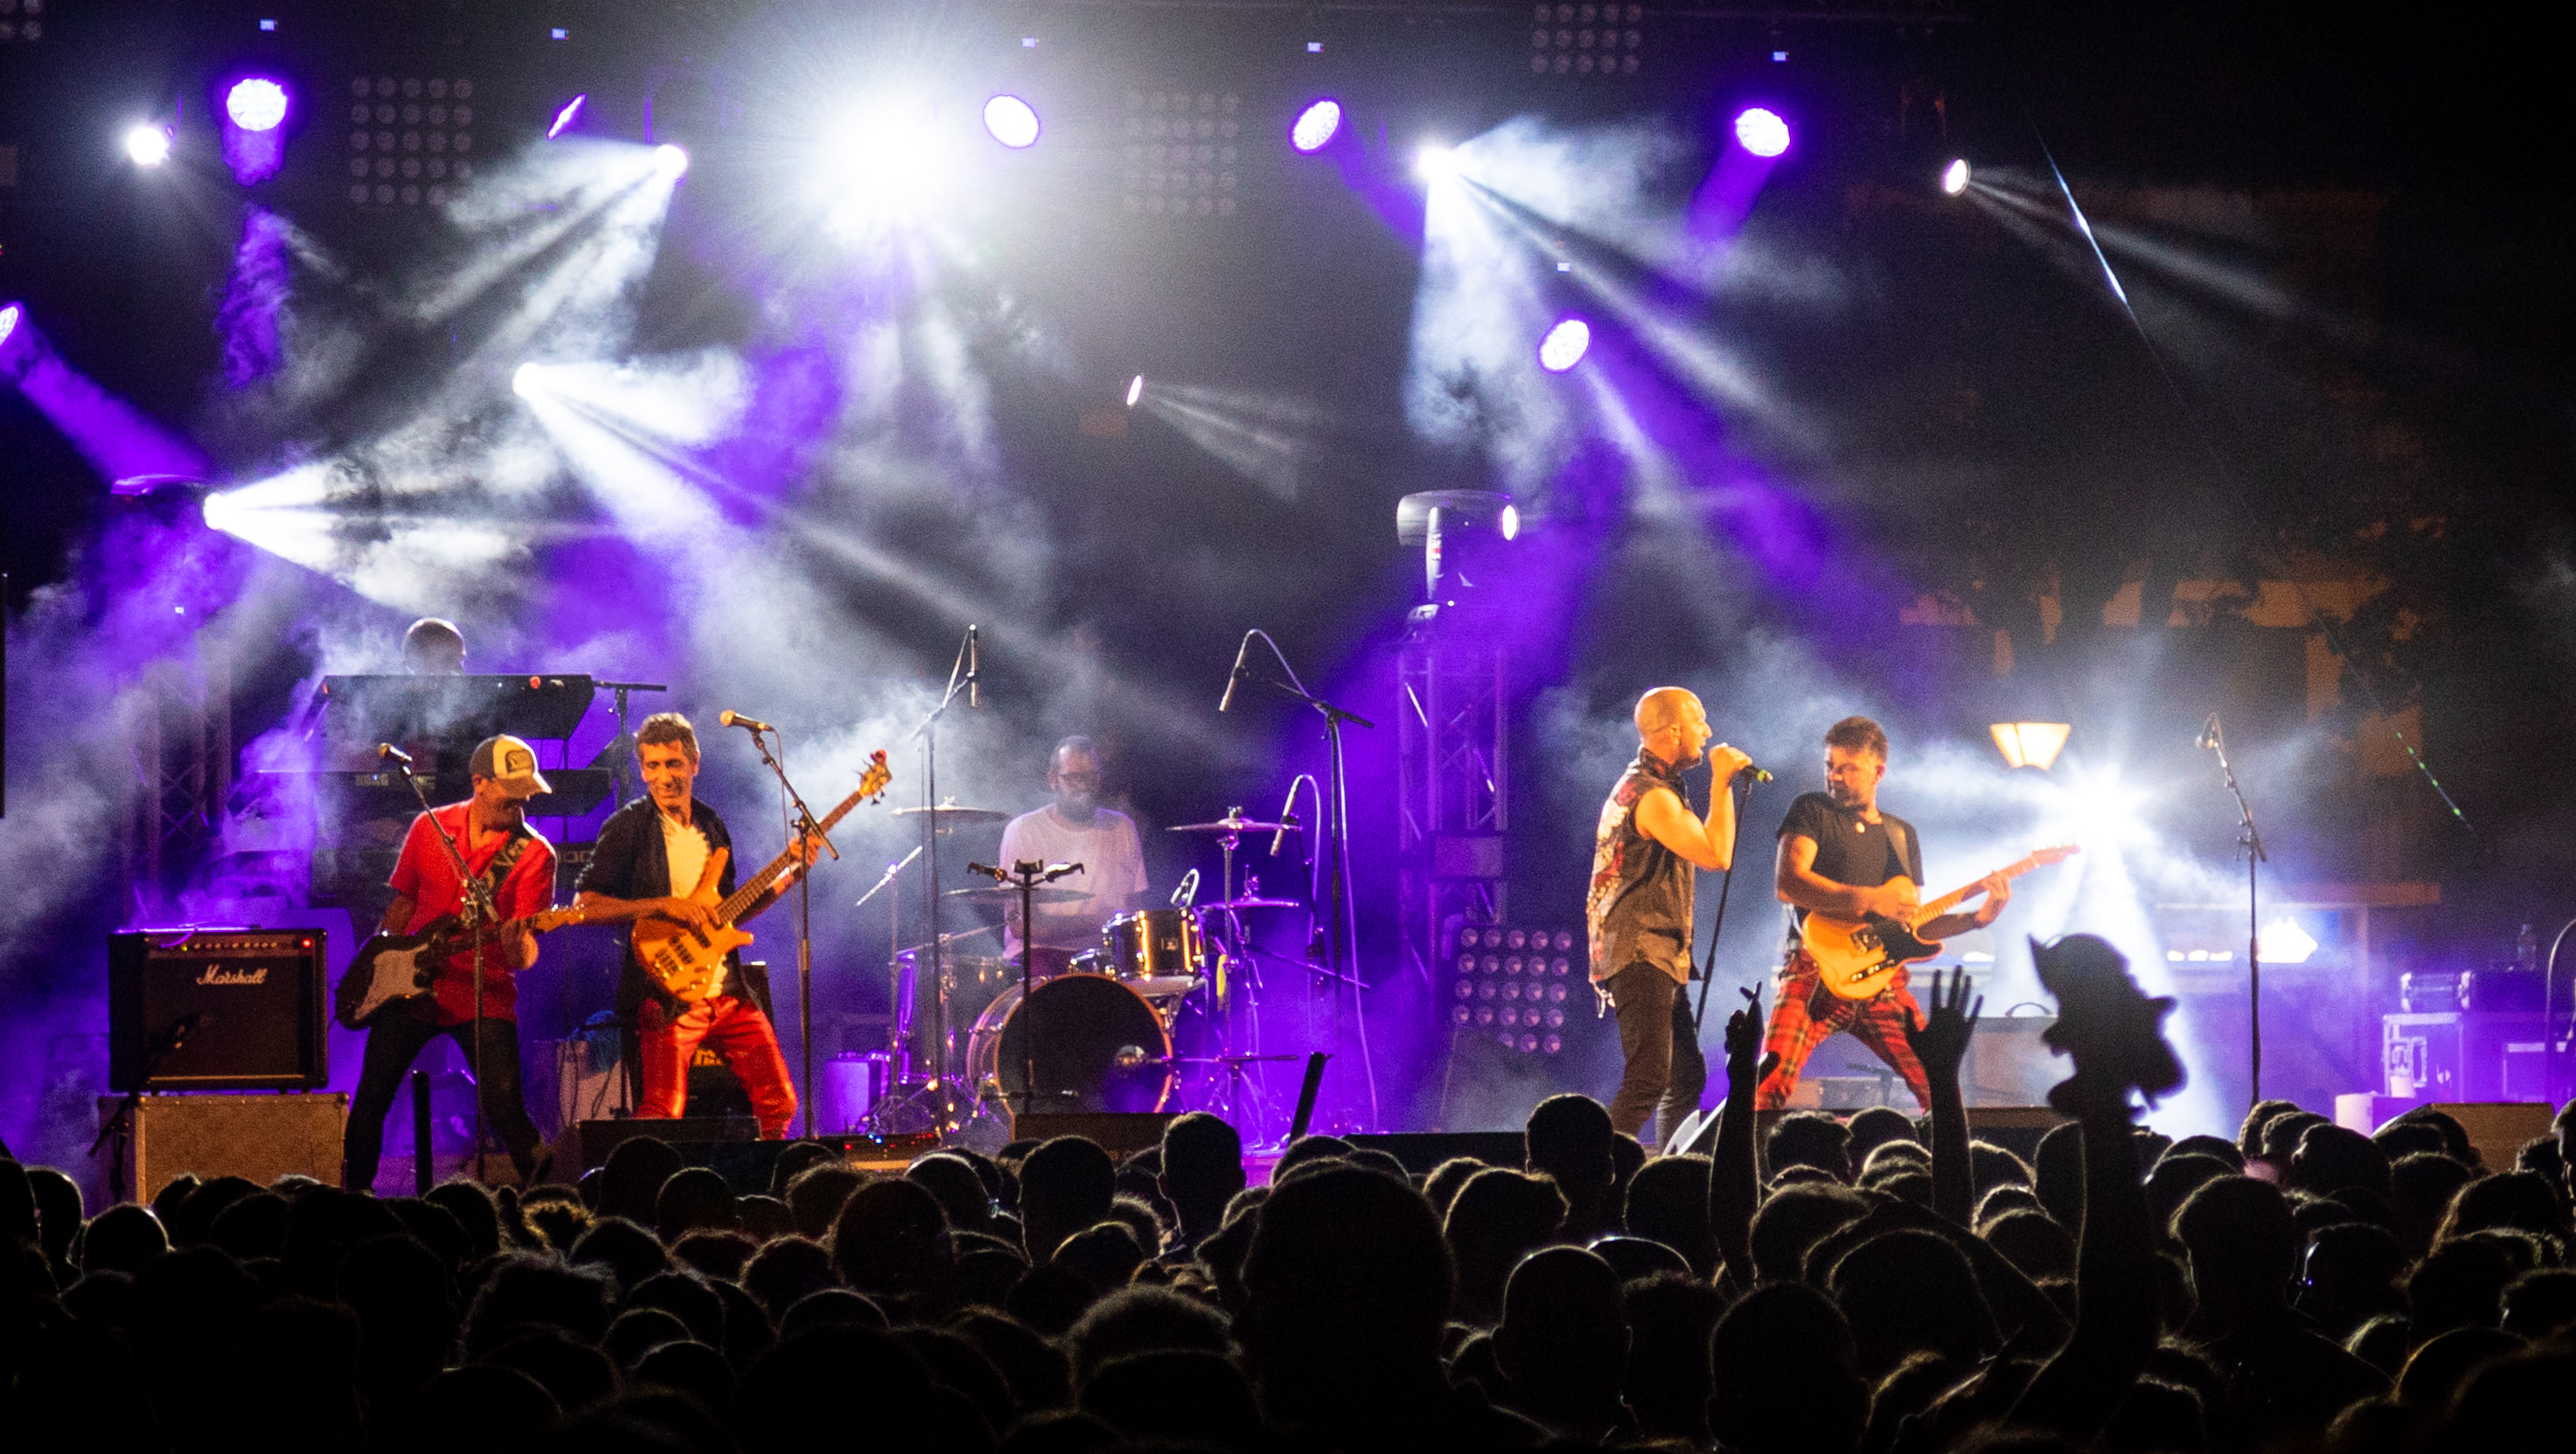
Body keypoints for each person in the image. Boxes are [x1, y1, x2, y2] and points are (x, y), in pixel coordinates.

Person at [574, 712, 809, 1137]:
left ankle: (765, 1176)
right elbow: (584, 906)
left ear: (695, 763)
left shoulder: (712, 825)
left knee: (780, 1102)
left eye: (674, 764)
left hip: (727, 990)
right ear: (642, 770)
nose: (664, 777)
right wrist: (665, 905)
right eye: (653, 766)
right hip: (664, 993)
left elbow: (731, 911)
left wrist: (791, 876)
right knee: (663, 1110)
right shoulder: (628, 827)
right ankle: (640, 1177)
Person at [1755, 716, 2008, 1110]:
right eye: (1830, 766)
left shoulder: (1902, 835)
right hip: (1814, 971)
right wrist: (1870, 899)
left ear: (1879, 772)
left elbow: (1912, 925)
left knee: (1940, 1087)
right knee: (1765, 1087)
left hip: (1883, 982)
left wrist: (1977, 919)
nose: (1834, 777)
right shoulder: (1812, 810)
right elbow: (1789, 883)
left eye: (1848, 768)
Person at [342, 734, 555, 1189]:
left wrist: (518, 944)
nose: (521, 802)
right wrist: (377, 966)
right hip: (409, 985)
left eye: (527, 792)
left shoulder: (536, 854)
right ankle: (354, 1197)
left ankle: (549, 1201)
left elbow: (523, 953)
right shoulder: (430, 827)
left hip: (483, 991)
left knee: (505, 1105)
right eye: (511, 791)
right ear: (480, 783)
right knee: (372, 1097)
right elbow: (403, 905)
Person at [1584, 687, 1756, 1144]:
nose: (1708, 732)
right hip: (1641, 950)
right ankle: (1596, 1170)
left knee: (1684, 1078)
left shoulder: (1653, 787)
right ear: (1675, 731)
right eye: (1700, 721)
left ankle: (1667, 1171)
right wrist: (1721, 783)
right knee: (1647, 1079)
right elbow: (1716, 855)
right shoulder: (1652, 797)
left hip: (1655, 952)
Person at [994, 735, 1148, 976]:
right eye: (1074, 777)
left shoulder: (1123, 828)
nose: (1084, 786)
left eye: (1091, 777)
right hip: (1040, 958)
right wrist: (1096, 922)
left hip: (1105, 958)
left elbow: (1134, 911)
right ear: (1053, 780)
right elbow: (1020, 925)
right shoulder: (1023, 830)